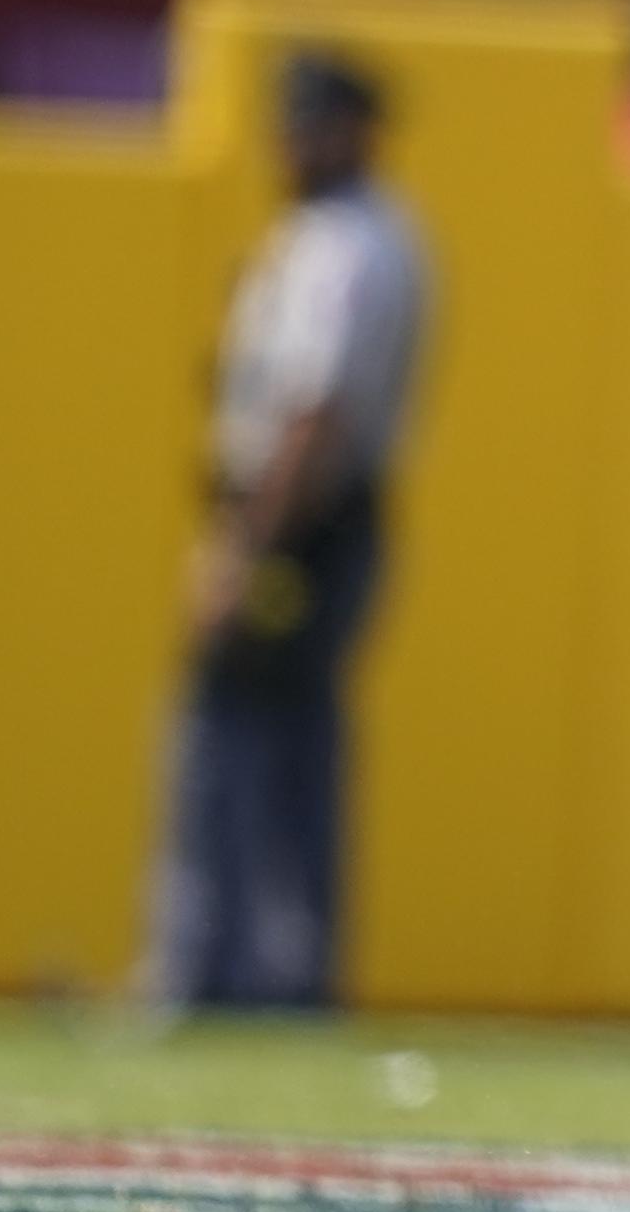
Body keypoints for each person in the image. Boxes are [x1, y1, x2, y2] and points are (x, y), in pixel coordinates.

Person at [148, 49, 430, 1013]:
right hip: (308, 519)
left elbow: (314, 415)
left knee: (238, 740)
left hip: (304, 526)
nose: (289, 142)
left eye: (307, 123)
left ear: (351, 129)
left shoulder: (349, 245)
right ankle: (275, 972)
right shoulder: (337, 235)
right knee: (290, 742)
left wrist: (246, 546)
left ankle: (224, 969)